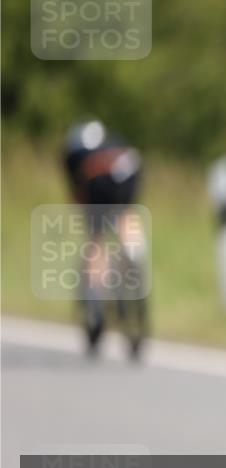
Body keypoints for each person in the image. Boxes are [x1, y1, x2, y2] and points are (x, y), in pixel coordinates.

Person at [62, 119, 147, 355]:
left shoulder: (73, 153)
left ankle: (94, 300)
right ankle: (133, 253)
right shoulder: (115, 141)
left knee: (96, 240)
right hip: (129, 169)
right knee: (125, 215)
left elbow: (77, 193)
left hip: (96, 179)